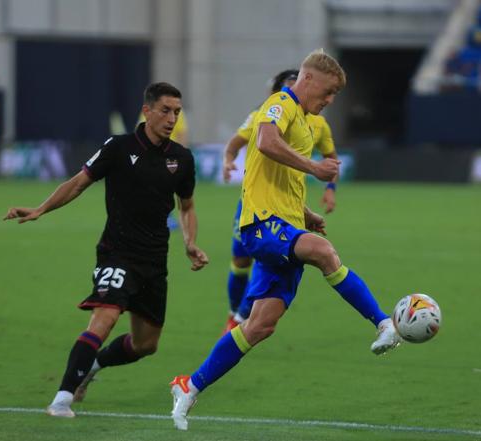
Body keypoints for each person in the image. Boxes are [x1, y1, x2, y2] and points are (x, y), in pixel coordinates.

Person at [167, 49, 401, 431]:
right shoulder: (281, 102)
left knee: (260, 325)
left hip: (284, 223)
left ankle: (189, 385)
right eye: (326, 93)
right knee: (323, 252)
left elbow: (278, 178)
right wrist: (314, 167)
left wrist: (305, 213)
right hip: (259, 225)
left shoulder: (307, 121)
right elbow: (264, 142)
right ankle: (383, 322)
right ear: (306, 80)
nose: (328, 102)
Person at [3, 82, 209, 418]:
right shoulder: (118, 146)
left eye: (177, 112)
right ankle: (62, 398)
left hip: (155, 261)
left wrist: (190, 243)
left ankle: (94, 364)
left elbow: (186, 206)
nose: (172, 118)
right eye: (165, 110)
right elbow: (79, 182)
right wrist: (41, 208)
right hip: (117, 253)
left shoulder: (181, 159)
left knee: (146, 345)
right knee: (106, 317)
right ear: (147, 111)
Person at [221, 69, 339, 333]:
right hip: (253, 203)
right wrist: (228, 160)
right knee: (241, 260)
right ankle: (234, 315)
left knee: (269, 260)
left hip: (287, 206)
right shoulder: (263, 115)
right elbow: (234, 143)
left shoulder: (317, 123)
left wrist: (330, 188)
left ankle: (241, 320)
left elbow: (332, 157)